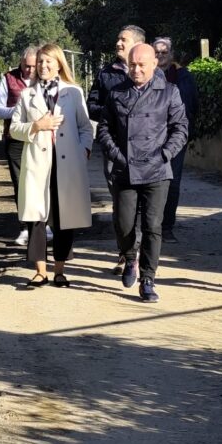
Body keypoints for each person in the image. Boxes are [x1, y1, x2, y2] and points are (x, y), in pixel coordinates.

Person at [96, 43, 188, 302]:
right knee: (124, 224)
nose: (135, 69)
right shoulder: (116, 93)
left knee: (152, 226)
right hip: (125, 168)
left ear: (154, 64)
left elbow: (180, 127)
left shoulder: (169, 92)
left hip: (157, 169)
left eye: (141, 65)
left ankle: (148, 279)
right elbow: (103, 130)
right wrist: (117, 156)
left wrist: (165, 154)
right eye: (132, 65)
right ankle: (129, 257)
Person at [9, 44, 94, 288]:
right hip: (38, 164)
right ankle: (39, 271)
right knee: (36, 217)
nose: (43, 66)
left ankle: (59, 270)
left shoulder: (73, 92)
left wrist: (84, 150)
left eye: (49, 62)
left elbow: (85, 127)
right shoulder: (27, 94)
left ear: (59, 64)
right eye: (40, 62)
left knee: (63, 216)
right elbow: (15, 129)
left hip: (66, 163)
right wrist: (36, 126)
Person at [88, 25, 145, 275]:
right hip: (114, 148)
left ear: (138, 45)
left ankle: (139, 253)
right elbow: (92, 106)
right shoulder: (106, 74)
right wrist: (114, 111)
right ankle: (124, 252)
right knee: (120, 203)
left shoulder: (151, 73)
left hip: (144, 150)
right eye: (118, 39)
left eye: (124, 40)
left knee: (142, 203)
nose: (118, 43)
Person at [153, 38, 200, 244]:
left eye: (164, 52)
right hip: (149, 139)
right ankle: (151, 226)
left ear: (172, 55)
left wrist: (181, 133)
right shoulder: (145, 75)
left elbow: (192, 106)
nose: (161, 56)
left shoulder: (183, 77)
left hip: (175, 139)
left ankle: (167, 226)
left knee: (172, 182)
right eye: (157, 52)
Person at [0, 46, 37, 246]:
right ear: (20, 63)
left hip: (39, 139)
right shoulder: (7, 79)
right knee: (20, 186)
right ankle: (25, 227)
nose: (30, 70)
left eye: (33, 66)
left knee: (40, 183)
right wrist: (20, 110)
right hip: (15, 140)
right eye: (26, 66)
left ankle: (43, 225)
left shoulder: (45, 80)